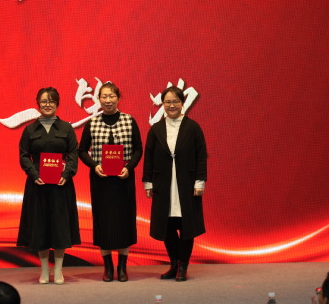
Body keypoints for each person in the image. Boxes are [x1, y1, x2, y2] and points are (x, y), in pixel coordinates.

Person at [79, 82, 143, 282]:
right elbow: (82, 151)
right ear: (99, 99)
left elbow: (138, 149)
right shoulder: (92, 122)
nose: (108, 100)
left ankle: (122, 267)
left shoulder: (129, 120)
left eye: (111, 96)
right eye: (104, 97)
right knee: (103, 222)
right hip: (101, 182)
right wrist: (94, 165)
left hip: (123, 180)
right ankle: (107, 267)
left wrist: (129, 167)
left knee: (124, 222)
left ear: (118, 98)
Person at [142, 85, 207, 282]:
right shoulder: (156, 129)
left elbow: (201, 156)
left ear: (182, 103)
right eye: (168, 102)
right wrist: (148, 183)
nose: (171, 106)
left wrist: (200, 182)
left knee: (187, 227)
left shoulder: (193, 128)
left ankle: (183, 266)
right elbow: (148, 157)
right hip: (163, 185)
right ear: (162, 104)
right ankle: (174, 264)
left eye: (175, 101)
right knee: (167, 227)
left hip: (187, 185)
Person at [16, 87, 80, 284]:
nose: (47, 104)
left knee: (60, 227)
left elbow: (73, 154)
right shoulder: (30, 130)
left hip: (61, 185)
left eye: (51, 101)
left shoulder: (66, 128)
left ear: (57, 104)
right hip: (38, 185)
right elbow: (24, 155)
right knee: (40, 227)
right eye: (44, 101)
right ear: (38, 104)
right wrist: (34, 174)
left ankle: (58, 270)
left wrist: (66, 174)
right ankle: (44, 270)